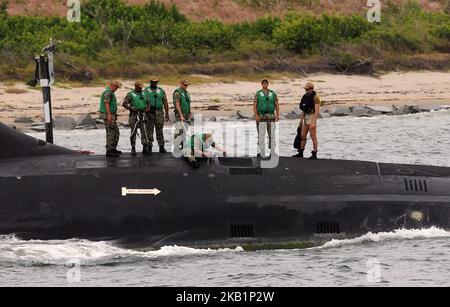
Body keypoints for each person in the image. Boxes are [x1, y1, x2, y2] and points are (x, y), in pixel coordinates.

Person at [122, 80, 151, 156]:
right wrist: (131, 108)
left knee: (144, 131)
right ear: (136, 86)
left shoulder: (144, 93)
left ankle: (144, 148)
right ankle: (133, 148)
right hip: (134, 115)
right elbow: (124, 104)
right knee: (133, 132)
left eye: (142, 87)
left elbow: (148, 103)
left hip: (143, 115)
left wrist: (148, 108)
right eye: (139, 87)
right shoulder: (130, 94)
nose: (141, 89)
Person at [293, 82, 321, 160]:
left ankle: (314, 153)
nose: (306, 90)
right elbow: (303, 110)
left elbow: (316, 111)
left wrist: (314, 122)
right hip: (306, 117)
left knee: (313, 136)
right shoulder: (305, 97)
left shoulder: (316, 98)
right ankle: (300, 153)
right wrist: (300, 120)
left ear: (311, 89)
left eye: (307, 89)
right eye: (305, 89)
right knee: (302, 136)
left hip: (312, 117)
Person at [253, 79, 280, 157]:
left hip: (271, 117)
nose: (265, 84)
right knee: (261, 135)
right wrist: (256, 116)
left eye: (266, 83)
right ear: (261, 84)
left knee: (272, 135)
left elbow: (277, 104)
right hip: (261, 117)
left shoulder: (272, 93)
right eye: (263, 83)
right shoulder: (258, 94)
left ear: (268, 84)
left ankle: (272, 151)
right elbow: (254, 105)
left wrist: (277, 115)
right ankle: (261, 151)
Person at [145, 76, 170, 154]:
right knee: (149, 130)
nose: (155, 83)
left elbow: (165, 102)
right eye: (153, 82)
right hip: (149, 113)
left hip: (159, 112)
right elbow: (143, 101)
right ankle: (149, 147)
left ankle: (161, 147)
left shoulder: (161, 90)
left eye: (156, 82)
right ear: (150, 82)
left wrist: (167, 113)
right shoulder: (146, 90)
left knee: (159, 130)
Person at [99, 80, 122, 158]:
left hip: (112, 115)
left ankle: (113, 149)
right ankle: (109, 151)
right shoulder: (108, 93)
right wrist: (109, 115)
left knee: (115, 132)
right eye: (116, 87)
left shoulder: (111, 93)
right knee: (110, 132)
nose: (117, 89)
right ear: (113, 86)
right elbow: (106, 103)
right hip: (108, 115)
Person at [173, 79, 193, 151]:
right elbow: (177, 104)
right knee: (179, 131)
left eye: (187, 85)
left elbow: (188, 103)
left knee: (185, 131)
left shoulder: (186, 93)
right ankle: (176, 147)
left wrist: (190, 112)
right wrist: (181, 115)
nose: (186, 86)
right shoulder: (177, 93)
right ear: (181, 84)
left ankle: (183, 146)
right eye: (185, 85)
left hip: (186, 114)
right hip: (180, 115)